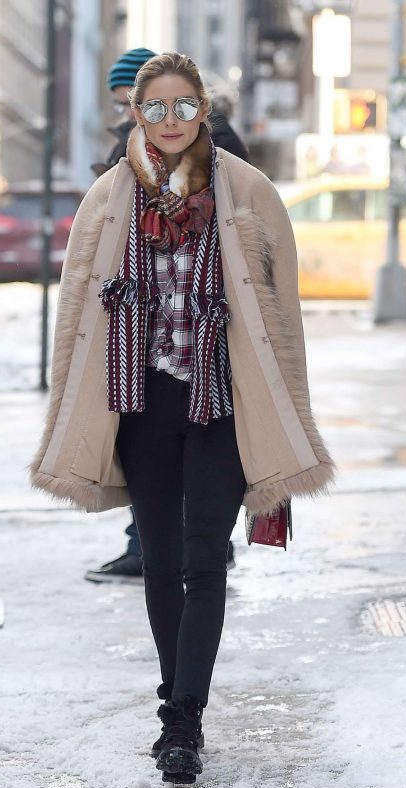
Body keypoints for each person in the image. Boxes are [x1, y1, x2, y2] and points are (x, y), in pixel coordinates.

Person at [31, 52, 334, 784]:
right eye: (157, 108)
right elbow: (76, 313)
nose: (172, 120)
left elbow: (283, 316)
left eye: (185, 106)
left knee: (205, 558)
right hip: (142, 401)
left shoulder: (249, 191)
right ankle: (177, 701)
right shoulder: (109, 196)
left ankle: (182, 723)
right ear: (137, 114)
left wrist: (289, 411)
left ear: (204, 110)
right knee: (161, 563)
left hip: (221, 401)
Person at [85, 49, 248, 585]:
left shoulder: (218, 150)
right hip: (147, 342)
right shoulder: (128, 153)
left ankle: (199, 545)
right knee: (152, 461)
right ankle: (154, 546)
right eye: (127, 105)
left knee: (203, 473)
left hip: (208, 340)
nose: (125, 112)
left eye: (126, 100)